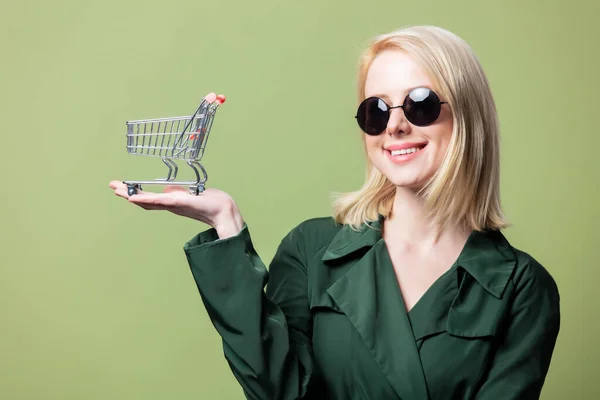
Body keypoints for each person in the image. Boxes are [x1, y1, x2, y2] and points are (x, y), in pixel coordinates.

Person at [109, 25, 561, 400]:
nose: (395, 126)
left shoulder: (522, 288)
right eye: (376, 110)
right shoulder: (313, 250)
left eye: (421, 104)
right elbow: (279, 389)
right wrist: (225, 225)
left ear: (467, 116)